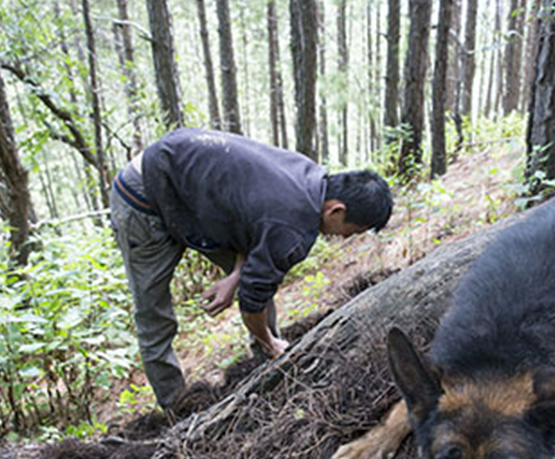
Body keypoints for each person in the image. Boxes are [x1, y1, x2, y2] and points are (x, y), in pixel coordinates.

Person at [109, 128, 393, 414]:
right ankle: (177, 409)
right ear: (335, 211)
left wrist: (235, 276)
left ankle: (269, 363)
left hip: (185, 183)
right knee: (153, 312)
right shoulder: (292, 227)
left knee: (261, 276)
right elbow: (252, 301)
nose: (346, 239)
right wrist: (266, 336)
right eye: (351, 231)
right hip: (143, 195)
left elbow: (252, 226)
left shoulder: (312, 180)